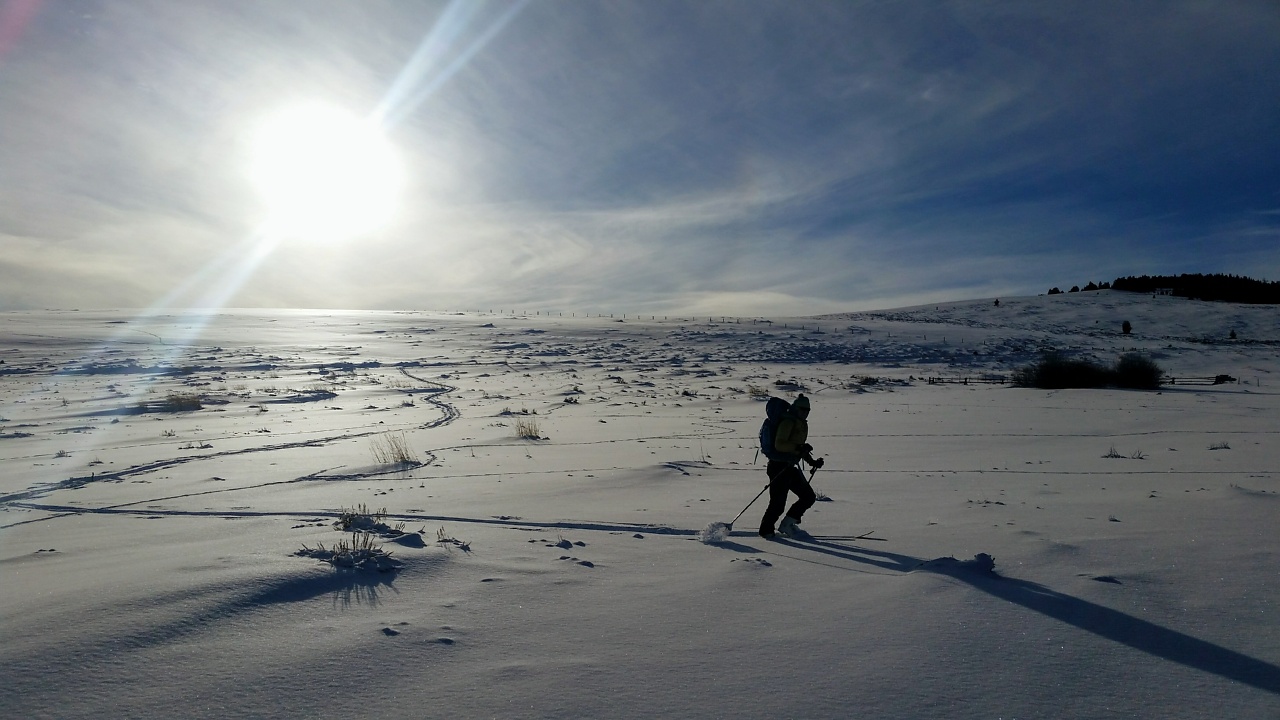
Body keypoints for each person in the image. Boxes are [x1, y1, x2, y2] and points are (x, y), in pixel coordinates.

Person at [760, 394, 824, 539]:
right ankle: (766, 531)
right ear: (796, 409)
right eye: (802, 409)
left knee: (808, 497)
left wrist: (812, 461)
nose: (805, 412)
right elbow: (780, 444)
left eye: (808, 410)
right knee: (777, 504)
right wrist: (799, 448)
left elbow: (798, 448)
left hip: (789, 467)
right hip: (778, 467)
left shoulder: (799, 424)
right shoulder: (788, 423)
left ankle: (787, 524)